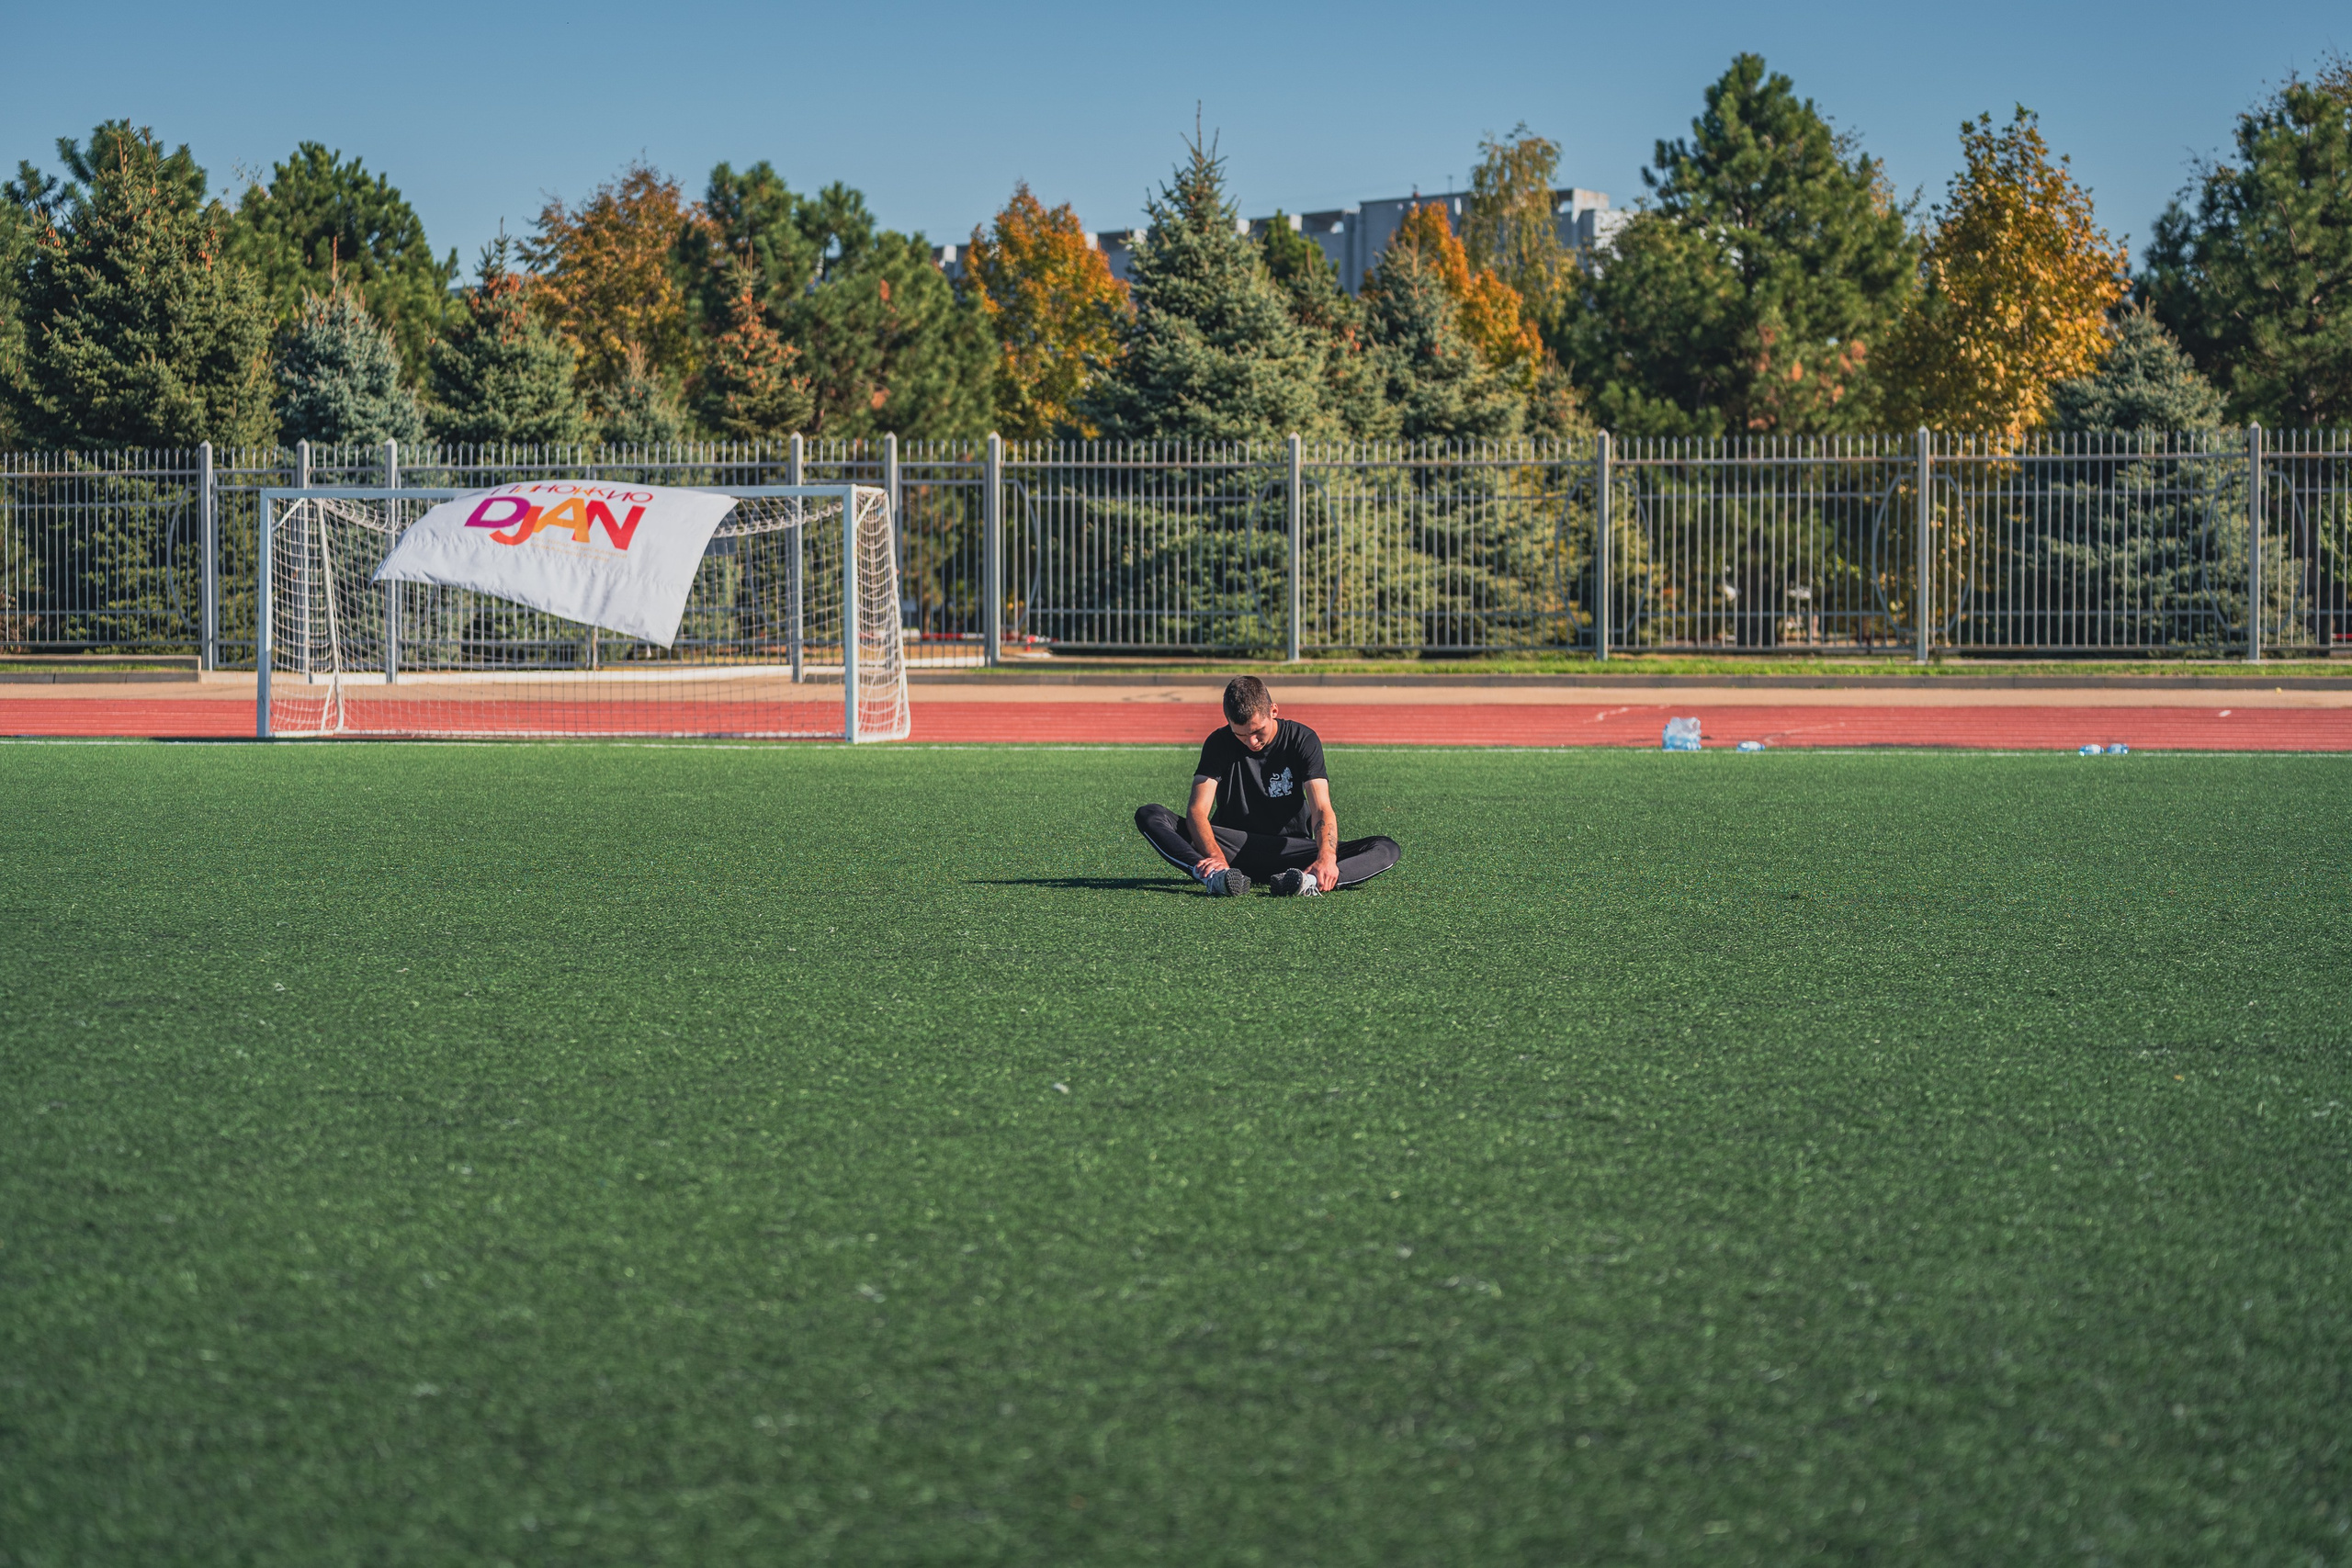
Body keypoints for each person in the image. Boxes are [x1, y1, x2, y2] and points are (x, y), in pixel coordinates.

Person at [1135, 676, 1400, 897]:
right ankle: (1215, 877)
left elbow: (1321, 808)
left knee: (1385, 847)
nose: (1251, 742)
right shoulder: (1218, 742)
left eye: (1257, 731)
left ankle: (1308, 881)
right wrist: (1216, 857)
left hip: (1291, 852)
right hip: (1231, 850)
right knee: (1150, 814)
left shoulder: (1302, 739)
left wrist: (1326, 858)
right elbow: (1197, 811)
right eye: (1240, 735)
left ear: (1273, 711)